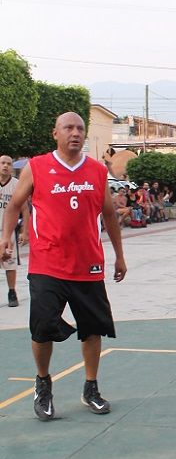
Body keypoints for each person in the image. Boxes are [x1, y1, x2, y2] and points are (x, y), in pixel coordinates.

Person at [0, 113, 127, 420]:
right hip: (47, 263)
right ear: (54, 132)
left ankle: (91, 387)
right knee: (42, 328)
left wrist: (120, 256)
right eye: (69, 128)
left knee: (93, 329)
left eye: (80, 128)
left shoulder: (97, 171)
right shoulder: (38, 167)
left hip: (88, 265)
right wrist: (7, 237)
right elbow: (15, 204)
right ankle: (43, 384)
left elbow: (109, 215)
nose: (75, 133)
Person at [0, 154, 30, 307]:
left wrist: (25, 232)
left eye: (9, 164)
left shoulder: (17, 184)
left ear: (12, 167)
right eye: (3, 163)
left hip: (8, 231)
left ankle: (12, 292)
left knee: (9, 263)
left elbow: (25, 209)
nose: (5, 166)